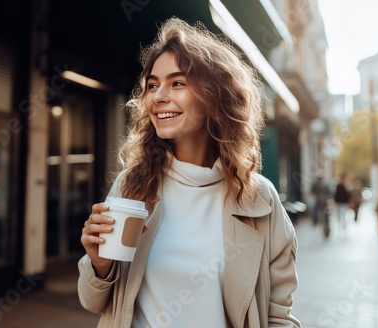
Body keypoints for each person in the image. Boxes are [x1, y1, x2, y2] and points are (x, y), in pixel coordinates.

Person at [78, 17, 301, 328]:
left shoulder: (260, 200)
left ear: (215, 95)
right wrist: (99, 265)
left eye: (177, 83)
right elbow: (94, 301)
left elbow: (278, 317)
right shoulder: (133, 186)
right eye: (153, 85)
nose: (157, 96)